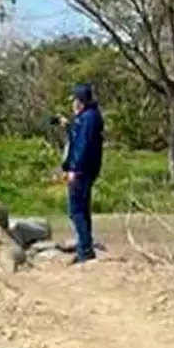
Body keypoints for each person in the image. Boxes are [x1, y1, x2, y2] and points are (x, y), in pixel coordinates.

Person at [61, 82, 104, 263]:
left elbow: (82, 146)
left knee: (76, 209)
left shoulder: (88, 118)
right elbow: (79, 139)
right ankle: (85, 246)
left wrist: (74, 169)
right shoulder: (89, 117)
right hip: (87, 169)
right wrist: (69, 126)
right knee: (82, 208)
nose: (73, 104)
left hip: (82, 170)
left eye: (75, 100)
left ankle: (85, 249)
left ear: (81, 100)